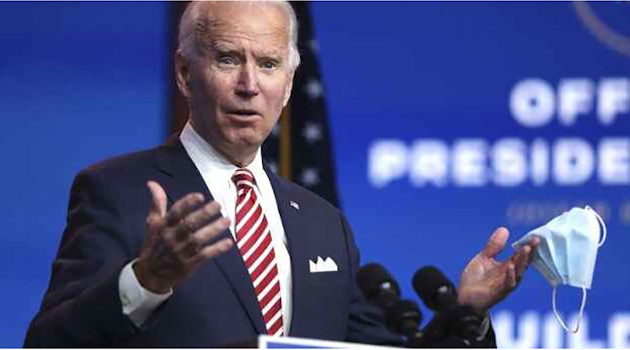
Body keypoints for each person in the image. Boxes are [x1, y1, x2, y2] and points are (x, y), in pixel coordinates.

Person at [24, 1, 538, 347]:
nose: (250, 84)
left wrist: (466, 315)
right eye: (229, 59)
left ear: (290, 85)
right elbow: (47, 343)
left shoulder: (321, 221)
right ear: (185, 73)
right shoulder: (118, 192)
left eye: (269, 65)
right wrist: (145, 280)